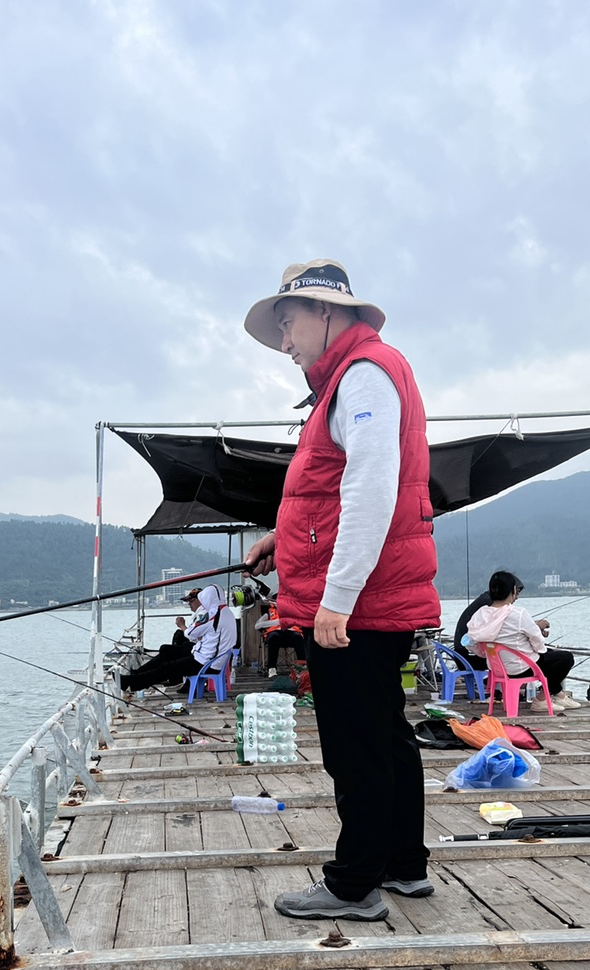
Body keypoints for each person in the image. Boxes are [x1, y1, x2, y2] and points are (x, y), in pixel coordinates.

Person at [243, 259, 440, 921]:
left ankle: (354, 885)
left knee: (356, 745)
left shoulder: (362, 375)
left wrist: (338, 598)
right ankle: (403, 864)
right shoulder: (361, 375)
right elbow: (333, 492)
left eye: (288, 324)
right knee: (385, 734)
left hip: (358, 604)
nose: (284, 343)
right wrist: (282, 537)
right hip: (376, 598)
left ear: (325, 311)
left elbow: (371, 489)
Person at [464, 570, 578, 710]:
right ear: (513, 590)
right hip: (522, 668)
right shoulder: (518, 613)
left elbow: (471, 641)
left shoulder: (481, 614)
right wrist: (540, 650)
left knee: (551, 655)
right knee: (566, 658)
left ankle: (559, 695)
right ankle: (541, 700)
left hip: (496, 668)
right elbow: (537, 640)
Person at [120, 584, 237, 693]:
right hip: (216, 661)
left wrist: (182, 625)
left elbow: (190, 633)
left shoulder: (213, 615)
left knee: (167, 668)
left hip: (206, 662)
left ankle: (130, 683)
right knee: (170, 657)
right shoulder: (227, 613)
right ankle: (133, 680)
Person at [255, 602, 305, 675]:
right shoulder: (269, 613)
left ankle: (303, 667)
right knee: (273, 637)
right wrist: (278, 622)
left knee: (298, 637)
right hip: (275, 632)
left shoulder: (293, 611)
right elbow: (257, 626)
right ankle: (272, 668)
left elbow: (302, 622)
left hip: (291, 632)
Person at [453, 587, 491, 669]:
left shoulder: (484, 600)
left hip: (460, 655)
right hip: (466, 658)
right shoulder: (490, 605)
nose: (516, 598)